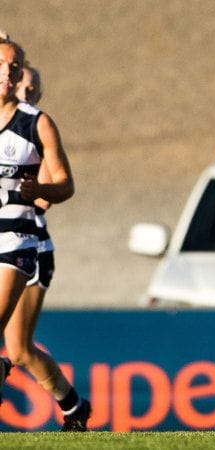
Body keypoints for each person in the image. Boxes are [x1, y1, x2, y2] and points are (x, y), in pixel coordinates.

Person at [0, 38, 89, 431]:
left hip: (21, 242)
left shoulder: (35, 123)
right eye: (5, 66)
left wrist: (36, 192)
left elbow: (62, 187)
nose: (13, 75)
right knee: (19, 350)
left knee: (13, 347)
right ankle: (73, 407)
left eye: (16, 68)